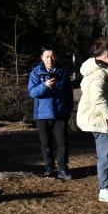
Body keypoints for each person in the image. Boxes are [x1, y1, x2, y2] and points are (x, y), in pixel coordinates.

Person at [76, 40, 108, 203]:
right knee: (105, 155)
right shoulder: (98, 73)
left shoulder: (105, 70)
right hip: (102, 121)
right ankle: (104, 190)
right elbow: (97, 97)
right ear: (106, 55)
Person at [27, 45, 74, 179]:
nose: (50, 59)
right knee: (46, 143)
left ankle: (63, 169)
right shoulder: (36, 73)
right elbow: (31, 92)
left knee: (62, 143)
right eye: (47, 56)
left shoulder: (63, 73)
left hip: (60, 114)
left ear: (56, 57)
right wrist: (45, 86)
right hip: (41, 114)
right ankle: (49, 168)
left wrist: (68, 110)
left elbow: (69, 94)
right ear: (42, 58)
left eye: (52, 56)